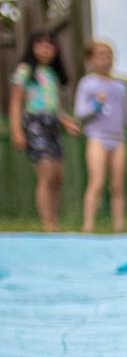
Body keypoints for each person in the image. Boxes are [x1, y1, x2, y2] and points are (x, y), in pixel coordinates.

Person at [7, 30, 81, 231]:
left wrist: (66, 122)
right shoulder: (24, 71)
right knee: (46, 171)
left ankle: (54, 219)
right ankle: (47, 223)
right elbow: (15, 104)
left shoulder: (52, 75)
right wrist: (16, 131)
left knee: (58, 175)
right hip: (34, 123)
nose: (45, 49)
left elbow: (54, 107)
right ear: (32, 47)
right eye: (40, 44)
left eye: (50, 45)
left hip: (52, 125)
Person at [75, 40, 127, 233]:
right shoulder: (88, 83)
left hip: (118, 139)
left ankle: (119, 226)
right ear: (90, 59)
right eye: (101, 55)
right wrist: (96, 105)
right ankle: (88, 226)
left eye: (109, 55)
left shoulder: (120, 86)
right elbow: (80, 113)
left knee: (118, 185)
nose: (106, 59)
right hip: (97, 137)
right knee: (97, 182)